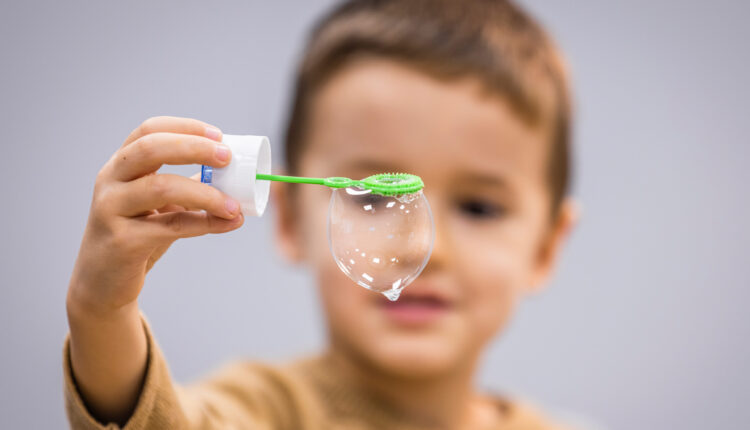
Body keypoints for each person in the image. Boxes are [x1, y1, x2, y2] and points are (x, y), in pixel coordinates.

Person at [64, 0, 577, 428]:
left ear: (546, 247)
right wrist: (101, 313)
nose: (425, 248)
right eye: (372, 198)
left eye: (479, 207)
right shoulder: (265, 411)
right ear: (291, 220)